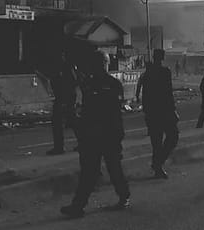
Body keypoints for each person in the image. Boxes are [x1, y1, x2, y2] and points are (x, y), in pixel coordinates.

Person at [61, 50, 130, 219]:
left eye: (102, 63)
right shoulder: (88, 84)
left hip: (108, 133)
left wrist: (118, 133)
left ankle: (123, 195)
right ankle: (78, 206)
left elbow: (115, 112)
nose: (100, 67)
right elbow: (84, 110)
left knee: (114, 168)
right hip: (92, 134)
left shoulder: (112, 84)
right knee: (88, 172)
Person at [137, 49, 179, 179]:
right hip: (164, 110)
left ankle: (158, 165)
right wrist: (173, 110)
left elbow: (141, 91)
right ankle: (158, 163)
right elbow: (168, 93)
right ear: (162, 57)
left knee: (156, 141)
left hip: (151, 111)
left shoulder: (147, 73)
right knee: (172, 137)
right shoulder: (164, 72)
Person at [46, 51, 81, 155]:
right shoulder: (64, 67)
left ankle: (59, 147)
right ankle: (81, 143)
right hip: (65, 98)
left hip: (64, 98)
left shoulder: (66, 68)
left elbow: (72, 82)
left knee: (59, 122)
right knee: (72, 121)